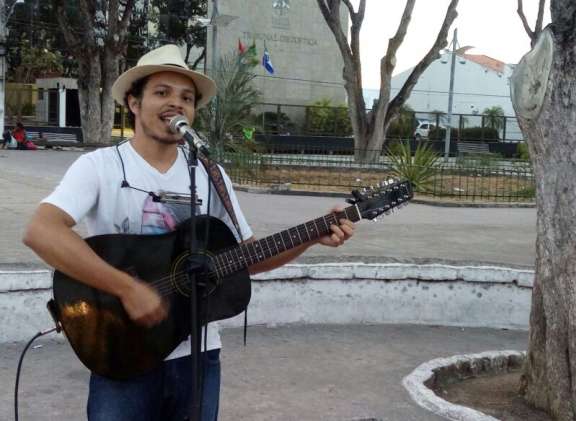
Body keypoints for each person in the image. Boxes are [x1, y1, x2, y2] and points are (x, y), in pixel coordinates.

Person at [23, 44, 355, 421]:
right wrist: (127, 288)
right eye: (161, 92)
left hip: (197, 355)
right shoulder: (99, 167)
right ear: (134, 103)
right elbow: (41, 231)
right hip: (121, 347)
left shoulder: (210, 174)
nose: (176, 104)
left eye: (186, 97)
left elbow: (248, 257)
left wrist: (311, 235)